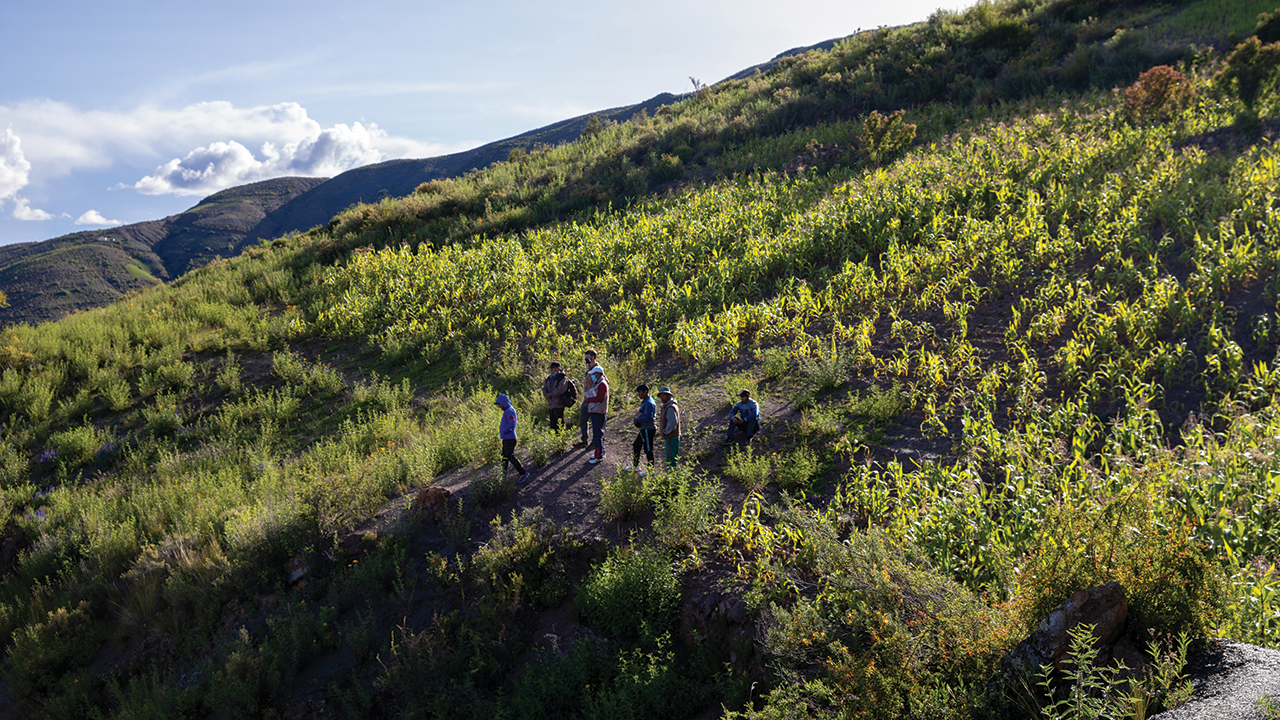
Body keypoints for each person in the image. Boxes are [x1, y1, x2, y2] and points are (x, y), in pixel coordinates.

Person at [494, 393, 530, 484]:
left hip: (510, 438)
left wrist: (505, 431)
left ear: (503, 403)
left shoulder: (510, 410)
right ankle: (504, 475)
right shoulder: (507, 411)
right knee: (504, 457)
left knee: (510, 456)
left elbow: (512, 424)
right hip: (506, 438)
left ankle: (523, 473)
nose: (499, 406)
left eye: (499, 404)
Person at [625, 384, 656, 476]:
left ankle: (650, 470)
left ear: (645, 392)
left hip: (648, 428)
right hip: (644, 428)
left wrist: (638, 420)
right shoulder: (645, 401)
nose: (638, 394)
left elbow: (648, 417)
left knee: (648, 449)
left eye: (640, 392)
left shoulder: (649, 403)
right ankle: (635, 466)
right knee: (636, 445)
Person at [585, 365, 609, 464]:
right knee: (598, 434)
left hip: (599, 412)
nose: (592, 376)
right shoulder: (598, 382)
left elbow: (600, 398)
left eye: (594, 374)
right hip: (597, 411)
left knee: (598, 434)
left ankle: (598, 456)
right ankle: (599, 453)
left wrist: (588, 400)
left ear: (598, 374)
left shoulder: (602, 384)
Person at [542, 361, 571, 433]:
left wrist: (550, 395)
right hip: (550, 404)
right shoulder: (549, 378)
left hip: (559, 404)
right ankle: (555, 440)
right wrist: (546, 395)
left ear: (558, 368)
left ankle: (561, 440)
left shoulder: (563, 378)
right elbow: (544, 388)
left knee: (560, 424)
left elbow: (560, 390)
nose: (551, 370)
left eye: (553, 368)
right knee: (552, 424)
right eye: (551, 368)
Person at [578, 349, 599, 447]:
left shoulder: (598, 369)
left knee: (595, 422)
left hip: (594, 399)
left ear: (593, 357)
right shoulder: (588, 368)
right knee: (583, 419)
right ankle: (584, 440)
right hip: (586, 398)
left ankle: (595, 442)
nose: (586, 359)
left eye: (587, 357)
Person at [657, 386, 681, 468]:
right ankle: (671, 476)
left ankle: (672, 477)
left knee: (671, 458)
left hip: (671, 436)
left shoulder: (670, 407)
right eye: (661, 396)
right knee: (671, 456)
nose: (662, 398)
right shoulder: (668, 406)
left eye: (664, 395)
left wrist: (665, 432)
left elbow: (673, 423)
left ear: (669, 396)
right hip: (671, 436)